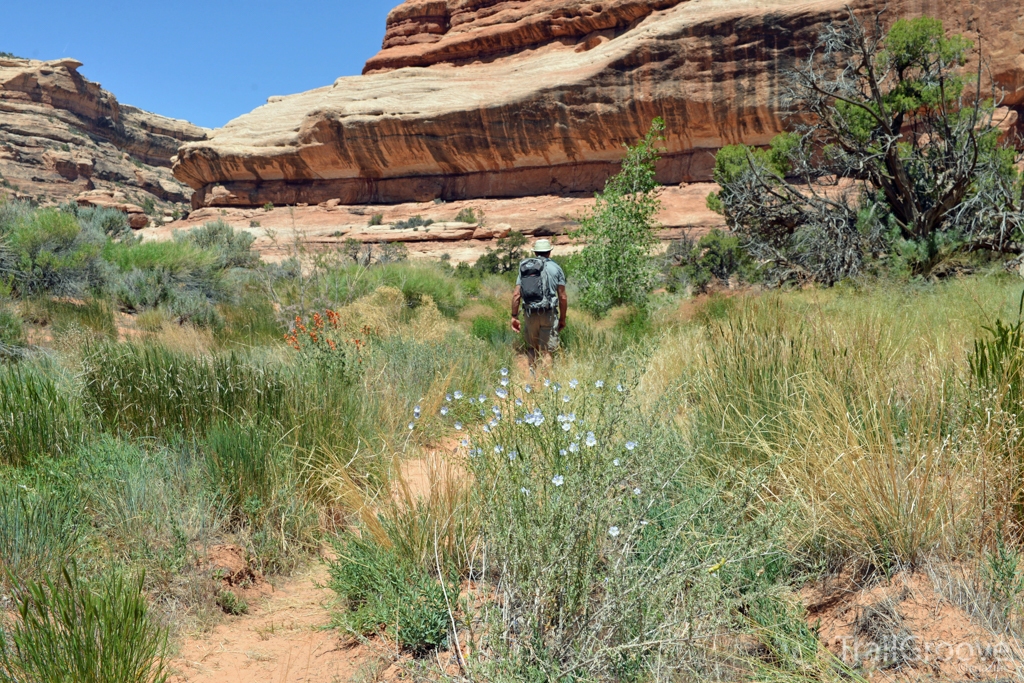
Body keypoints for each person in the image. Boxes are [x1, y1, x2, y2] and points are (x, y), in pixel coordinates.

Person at [510, 239, 567, 367]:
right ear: (549, 252)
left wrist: (514, 316)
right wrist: (562, 318)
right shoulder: (556, 268)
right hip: (549, 314)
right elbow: (562, 296)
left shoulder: (526, 268)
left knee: (531, 348)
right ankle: (545, 384)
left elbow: (516, 294)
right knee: (547, 352)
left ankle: (532, 382)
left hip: (530, 313)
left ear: (535, 252)